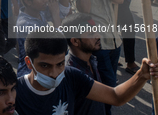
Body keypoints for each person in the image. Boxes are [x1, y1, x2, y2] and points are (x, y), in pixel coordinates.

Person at [15, 31, 158, 115]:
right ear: (29, 63)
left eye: (60, 64)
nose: (54, 73)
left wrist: (142, 75)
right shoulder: (15, 92)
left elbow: (115, 97)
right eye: (45, 65)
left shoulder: (70, 76)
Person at [69, 0, 123, 115]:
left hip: (114, 41)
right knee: (108, 86)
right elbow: (84, 9)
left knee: (109, 82)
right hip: (99, 44)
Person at [15, 0, 70, 78]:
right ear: (28, 1)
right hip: (31, 75)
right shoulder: (27, 25)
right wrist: (55, 15)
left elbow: (64, 11)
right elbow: (56, 46)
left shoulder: (39, 11)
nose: (45, 0)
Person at [64, 13, 106, 115]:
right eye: (91, 34)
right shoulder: (69, 72)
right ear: (75, 41)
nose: (98, 36)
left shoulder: (91, 59)